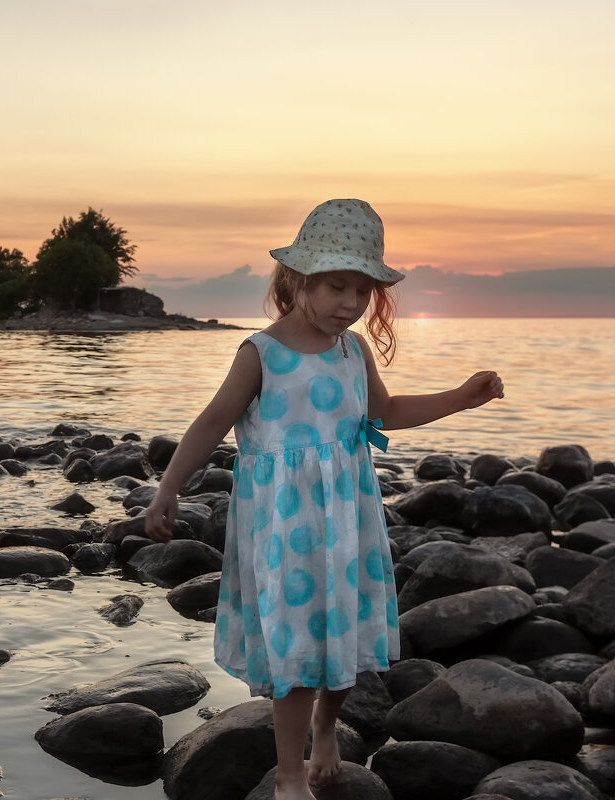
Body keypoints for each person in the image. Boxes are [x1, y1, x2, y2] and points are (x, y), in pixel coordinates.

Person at [144, 199, 504, 800]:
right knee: (297, 648)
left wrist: (460, 397)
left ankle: (328, 726)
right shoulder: (262, 353)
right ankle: (288, 775)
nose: (351, 304)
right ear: (298, 279)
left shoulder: (352, 352)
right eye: (339, 287)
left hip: (346, 517)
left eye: (363, 292)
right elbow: (211, 424)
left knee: (345, 633)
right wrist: (169, 488)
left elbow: (386, 413)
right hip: (283, 525)